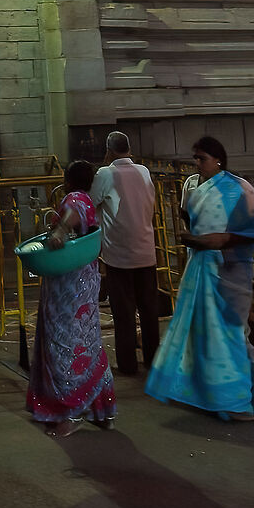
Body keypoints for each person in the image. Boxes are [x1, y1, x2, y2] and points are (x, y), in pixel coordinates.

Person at [146, 157, 254, 422]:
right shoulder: (194, 186)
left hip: (227, 272)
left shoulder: (236, 194)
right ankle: (222, 393)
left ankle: (239, 397)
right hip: (212, 269)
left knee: (232, 334)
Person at [24, 160, 116, 440]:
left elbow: (70, 218)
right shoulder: (89, 199)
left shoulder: (75, 200)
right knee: (87, 343)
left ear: (66, 180)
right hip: (84, 281)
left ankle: (69, 412)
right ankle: (102, 410)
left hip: (68, 288)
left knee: (64, 346)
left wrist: (60, 232)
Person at [91, 131, 161, 376]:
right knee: (149, 310)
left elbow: (92, 201)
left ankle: (128, 364)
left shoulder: (105, 173)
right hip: (145, 249)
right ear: (129, 149)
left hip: (119, 253)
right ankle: (153, 359)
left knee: (124, 312)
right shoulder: (144, 172)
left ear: (109, 151)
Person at [183, 136, 254, 336]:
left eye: (202, 159)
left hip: (232, 270)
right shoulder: (194, 186)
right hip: (202, 267)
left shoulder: (239, 188)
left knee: (234, 332)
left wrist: (220, 241)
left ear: (218, 160)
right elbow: (186, 216)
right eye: (195, 158)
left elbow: (253, 231)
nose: (197, 164)